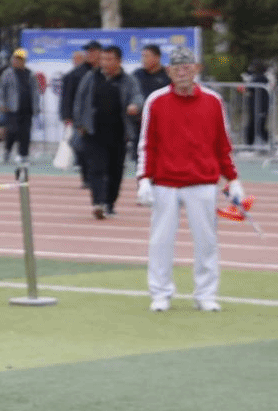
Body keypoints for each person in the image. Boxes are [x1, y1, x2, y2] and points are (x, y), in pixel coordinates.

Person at [137, 46, 243, 312]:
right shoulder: (156, 101)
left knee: (207, 242)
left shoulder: (213, 101)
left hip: (202, 181)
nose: (182, 72)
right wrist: (144, 178)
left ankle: (205, 294)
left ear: (196, 69)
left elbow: (223, 144)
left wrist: (233, 179)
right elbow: (147, 143)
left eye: (187, 67)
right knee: (160, 241)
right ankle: (160, 293)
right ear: (168, 71)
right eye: (176, 68)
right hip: (165, 182)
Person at [72, 44, 143, 219]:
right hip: (94, 132)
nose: (105, 62)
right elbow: (80, 100)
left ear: (119, 61)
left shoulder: (128, 80)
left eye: (109, 59)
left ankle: (109, 203)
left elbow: (137, 96)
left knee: (115, 171)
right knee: (96, 168)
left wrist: (135, 105)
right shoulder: (91, 77)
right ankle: (98, 203)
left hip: (118, 133)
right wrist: (79, 123)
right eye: (103, 59)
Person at [60, 43, 98, 187]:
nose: (90, 55)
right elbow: (68, 96)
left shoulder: (103, 71)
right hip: (81, 118)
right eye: (88, 52)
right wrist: (67, 116)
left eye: (93, 52)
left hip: (100, 117)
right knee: (80, 146)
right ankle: (86, 176)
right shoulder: (75, 74)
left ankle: (95, 176)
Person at [0, 48, 41, 165]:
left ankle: (23, 155)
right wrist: (1, 104)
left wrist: (36, 107)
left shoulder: (30, 74)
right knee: (12, 131)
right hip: (12, 108)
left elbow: (35, 92)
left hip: (27, 109)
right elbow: (1, 90)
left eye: (20, 59)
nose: (17, 61)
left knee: (25, 133)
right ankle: (7, 151)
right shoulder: (7, 73)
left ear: (24, 61)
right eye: (16, 59)